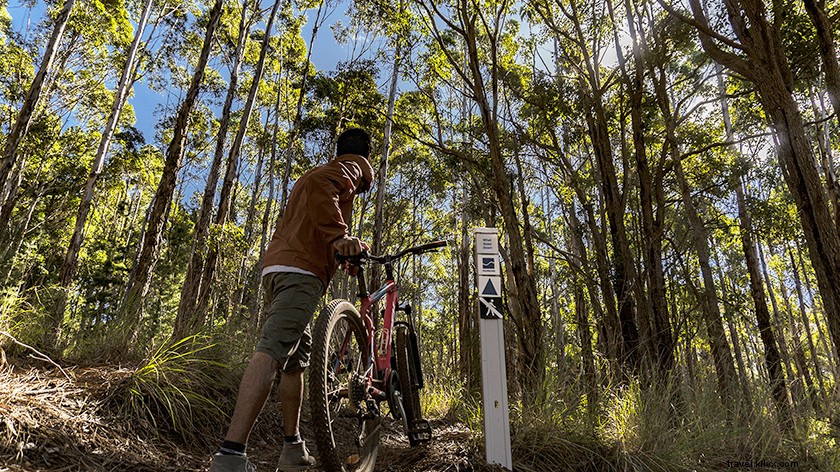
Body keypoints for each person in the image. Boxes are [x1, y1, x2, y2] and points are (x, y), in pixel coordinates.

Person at [209, 128, 374, 472]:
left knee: (295, 362)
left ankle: (292, 447)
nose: (362, 184)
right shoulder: (350, 167)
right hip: (301, 273)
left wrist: (338, 253)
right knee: (271, 349)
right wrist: (340, 237)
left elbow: (312, 214)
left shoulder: (314, 176)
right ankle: (230, 455)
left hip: (279, 267)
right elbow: (322, 192)